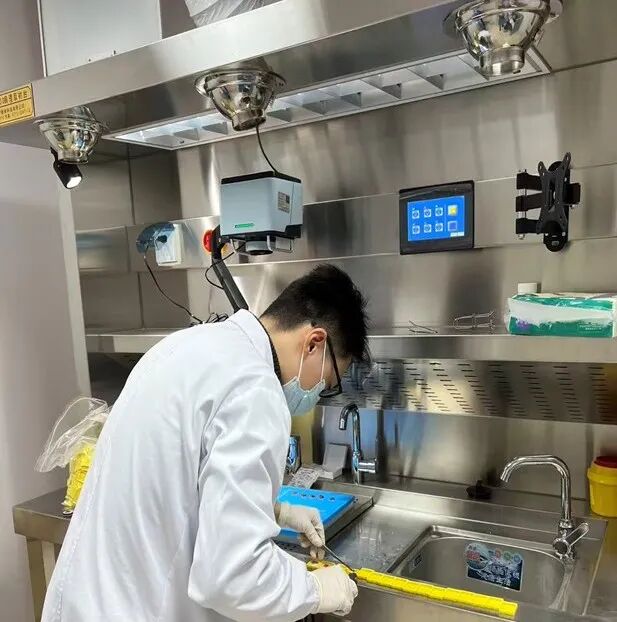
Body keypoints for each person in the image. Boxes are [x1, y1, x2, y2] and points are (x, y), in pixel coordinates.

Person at [42, 264, 369, 622]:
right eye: (328, 382)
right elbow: (233, 577)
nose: (318, 394)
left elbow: (170, 483)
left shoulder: (187, 345)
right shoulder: (255, 389)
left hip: (84, 603)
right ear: (314, 343)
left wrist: (274, 511)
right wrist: (316, 589)